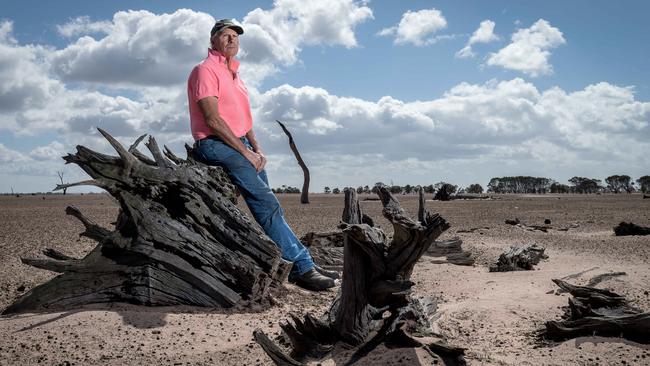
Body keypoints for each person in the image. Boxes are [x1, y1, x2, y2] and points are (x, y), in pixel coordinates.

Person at [187, 19, 336, 291]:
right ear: (212, 41)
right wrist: (244, 152)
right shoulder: (204, 70)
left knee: (270, 208)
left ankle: (302, 262)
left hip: (239, 144)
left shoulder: (235, 75)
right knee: (268, 206)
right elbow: (213, 120)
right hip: (214, 143)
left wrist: (257, 148)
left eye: (235, 36)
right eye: (225, 35)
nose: (231, 40)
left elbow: (244, 119)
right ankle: (302, 268)